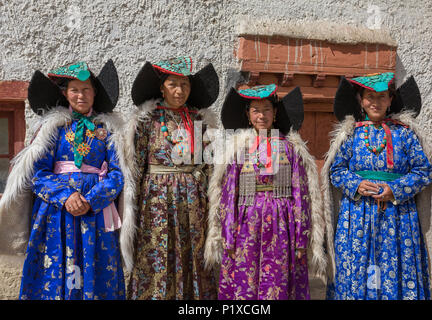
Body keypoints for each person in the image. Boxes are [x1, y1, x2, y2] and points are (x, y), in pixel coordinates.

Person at [0, 60, 131, 299]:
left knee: (97, 266)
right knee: (58, 266)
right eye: (75, 90)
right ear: (65, 93)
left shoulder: (109, 130)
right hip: (57, 214)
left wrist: (92, 199)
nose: (81, 95)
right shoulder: (53, 128)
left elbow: (117, 173)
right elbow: (38, 173)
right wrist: (67, 196)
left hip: (95, 214)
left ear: (94, 93)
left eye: (86, 89)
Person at [204, 84, 327, 300]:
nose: (262, 115)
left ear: (276, 113)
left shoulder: (290, 148)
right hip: (246, 225)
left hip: (282, 225)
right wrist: (228, 236)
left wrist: (301, 239)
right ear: (248, 115)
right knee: (245, 279)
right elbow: (228, 194)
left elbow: (301, 195)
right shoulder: (238, 149)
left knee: (277, 281)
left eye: (267, 109)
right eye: (256, 110)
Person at [323, 72, 432, 300]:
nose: (375, 102)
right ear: (360, 100)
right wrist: (356, 184)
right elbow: (336, 171)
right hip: (357, 216)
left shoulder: (404, 135)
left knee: (395, 265)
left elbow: (424, 171)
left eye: (382, 97)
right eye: (370, 97)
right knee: (356, 268)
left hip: (398, 216)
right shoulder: (350, 135)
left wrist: (395, 189)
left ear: (390, 100)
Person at [122, 56, 219, 300]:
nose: (180, 90)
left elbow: (208, 164)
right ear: (161, 87)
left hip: (193, 201)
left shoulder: (199, 120)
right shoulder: (147, 121)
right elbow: (136, 167)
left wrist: (209, 199)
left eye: (185, 84)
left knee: (193, 252)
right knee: (156, 250)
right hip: (156, 202)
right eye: (173, 84)